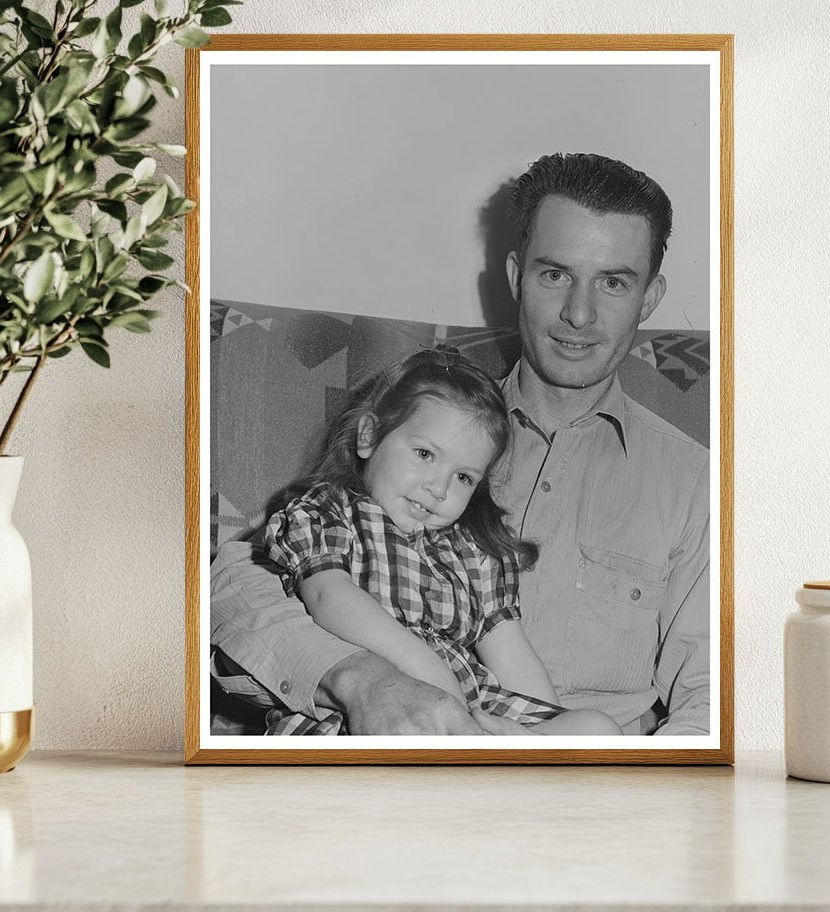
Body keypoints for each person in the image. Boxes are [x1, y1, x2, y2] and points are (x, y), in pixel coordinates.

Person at [211, 152, 709, 736]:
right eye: (555, 275)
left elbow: (711, 702)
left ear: (649, 298)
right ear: (517, 277)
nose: (579, 313)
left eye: (613, 282)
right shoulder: (425, 424)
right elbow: (236, 587)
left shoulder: (695, 480)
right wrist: (359, 678)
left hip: (573, 779)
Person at [251, 346, 620, 736]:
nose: (439, 488)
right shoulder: (328, 512)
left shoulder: (472, 551)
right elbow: (329, 599)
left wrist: (541, 729)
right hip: (370, 709)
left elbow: (512, 655)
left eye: (463, 477)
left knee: (596, 728)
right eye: (425, 454)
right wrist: (431, 673)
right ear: (369, 436)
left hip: (472, 713)